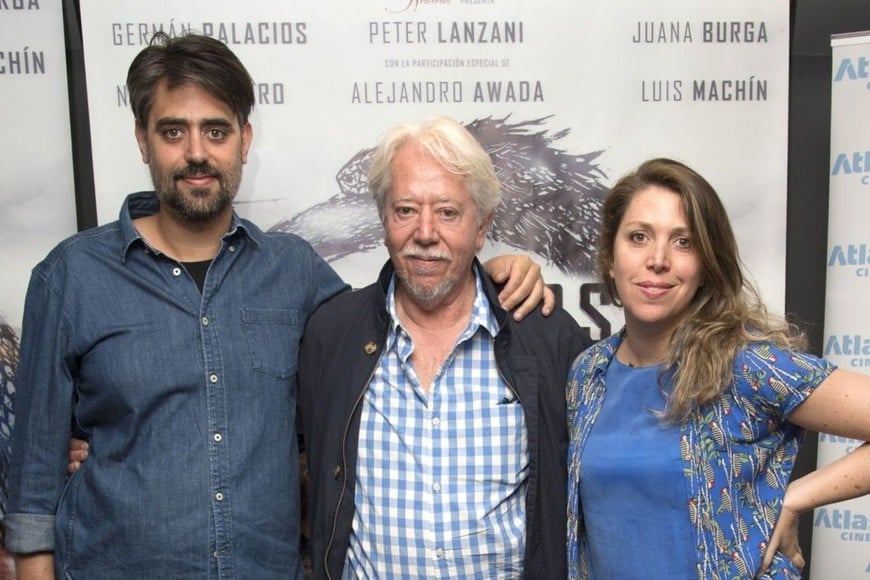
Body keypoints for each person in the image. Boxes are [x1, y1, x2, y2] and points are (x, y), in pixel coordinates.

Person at [4, 33, 549, 579]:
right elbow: (33, 484)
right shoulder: (71, 276)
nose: (196, 152)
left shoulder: (295, 272)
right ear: (143, 140)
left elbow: (400, 311)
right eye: (173, 131)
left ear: (244, 140)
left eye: (215, 131)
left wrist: (494, 275)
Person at [296, 116, 592, 578]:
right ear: (383, 221)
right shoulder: (331, 337)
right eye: (406, 210)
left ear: (481, 227)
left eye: (448, 212)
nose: (426, 232)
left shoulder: (546, 337)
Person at [566, 158, 870, 579]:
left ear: (707, 265)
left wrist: (794, 497)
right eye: (638, 237)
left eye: (683, 242)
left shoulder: (744, 365)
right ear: (610, 257)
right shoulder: (587, 374)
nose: (657, 259)